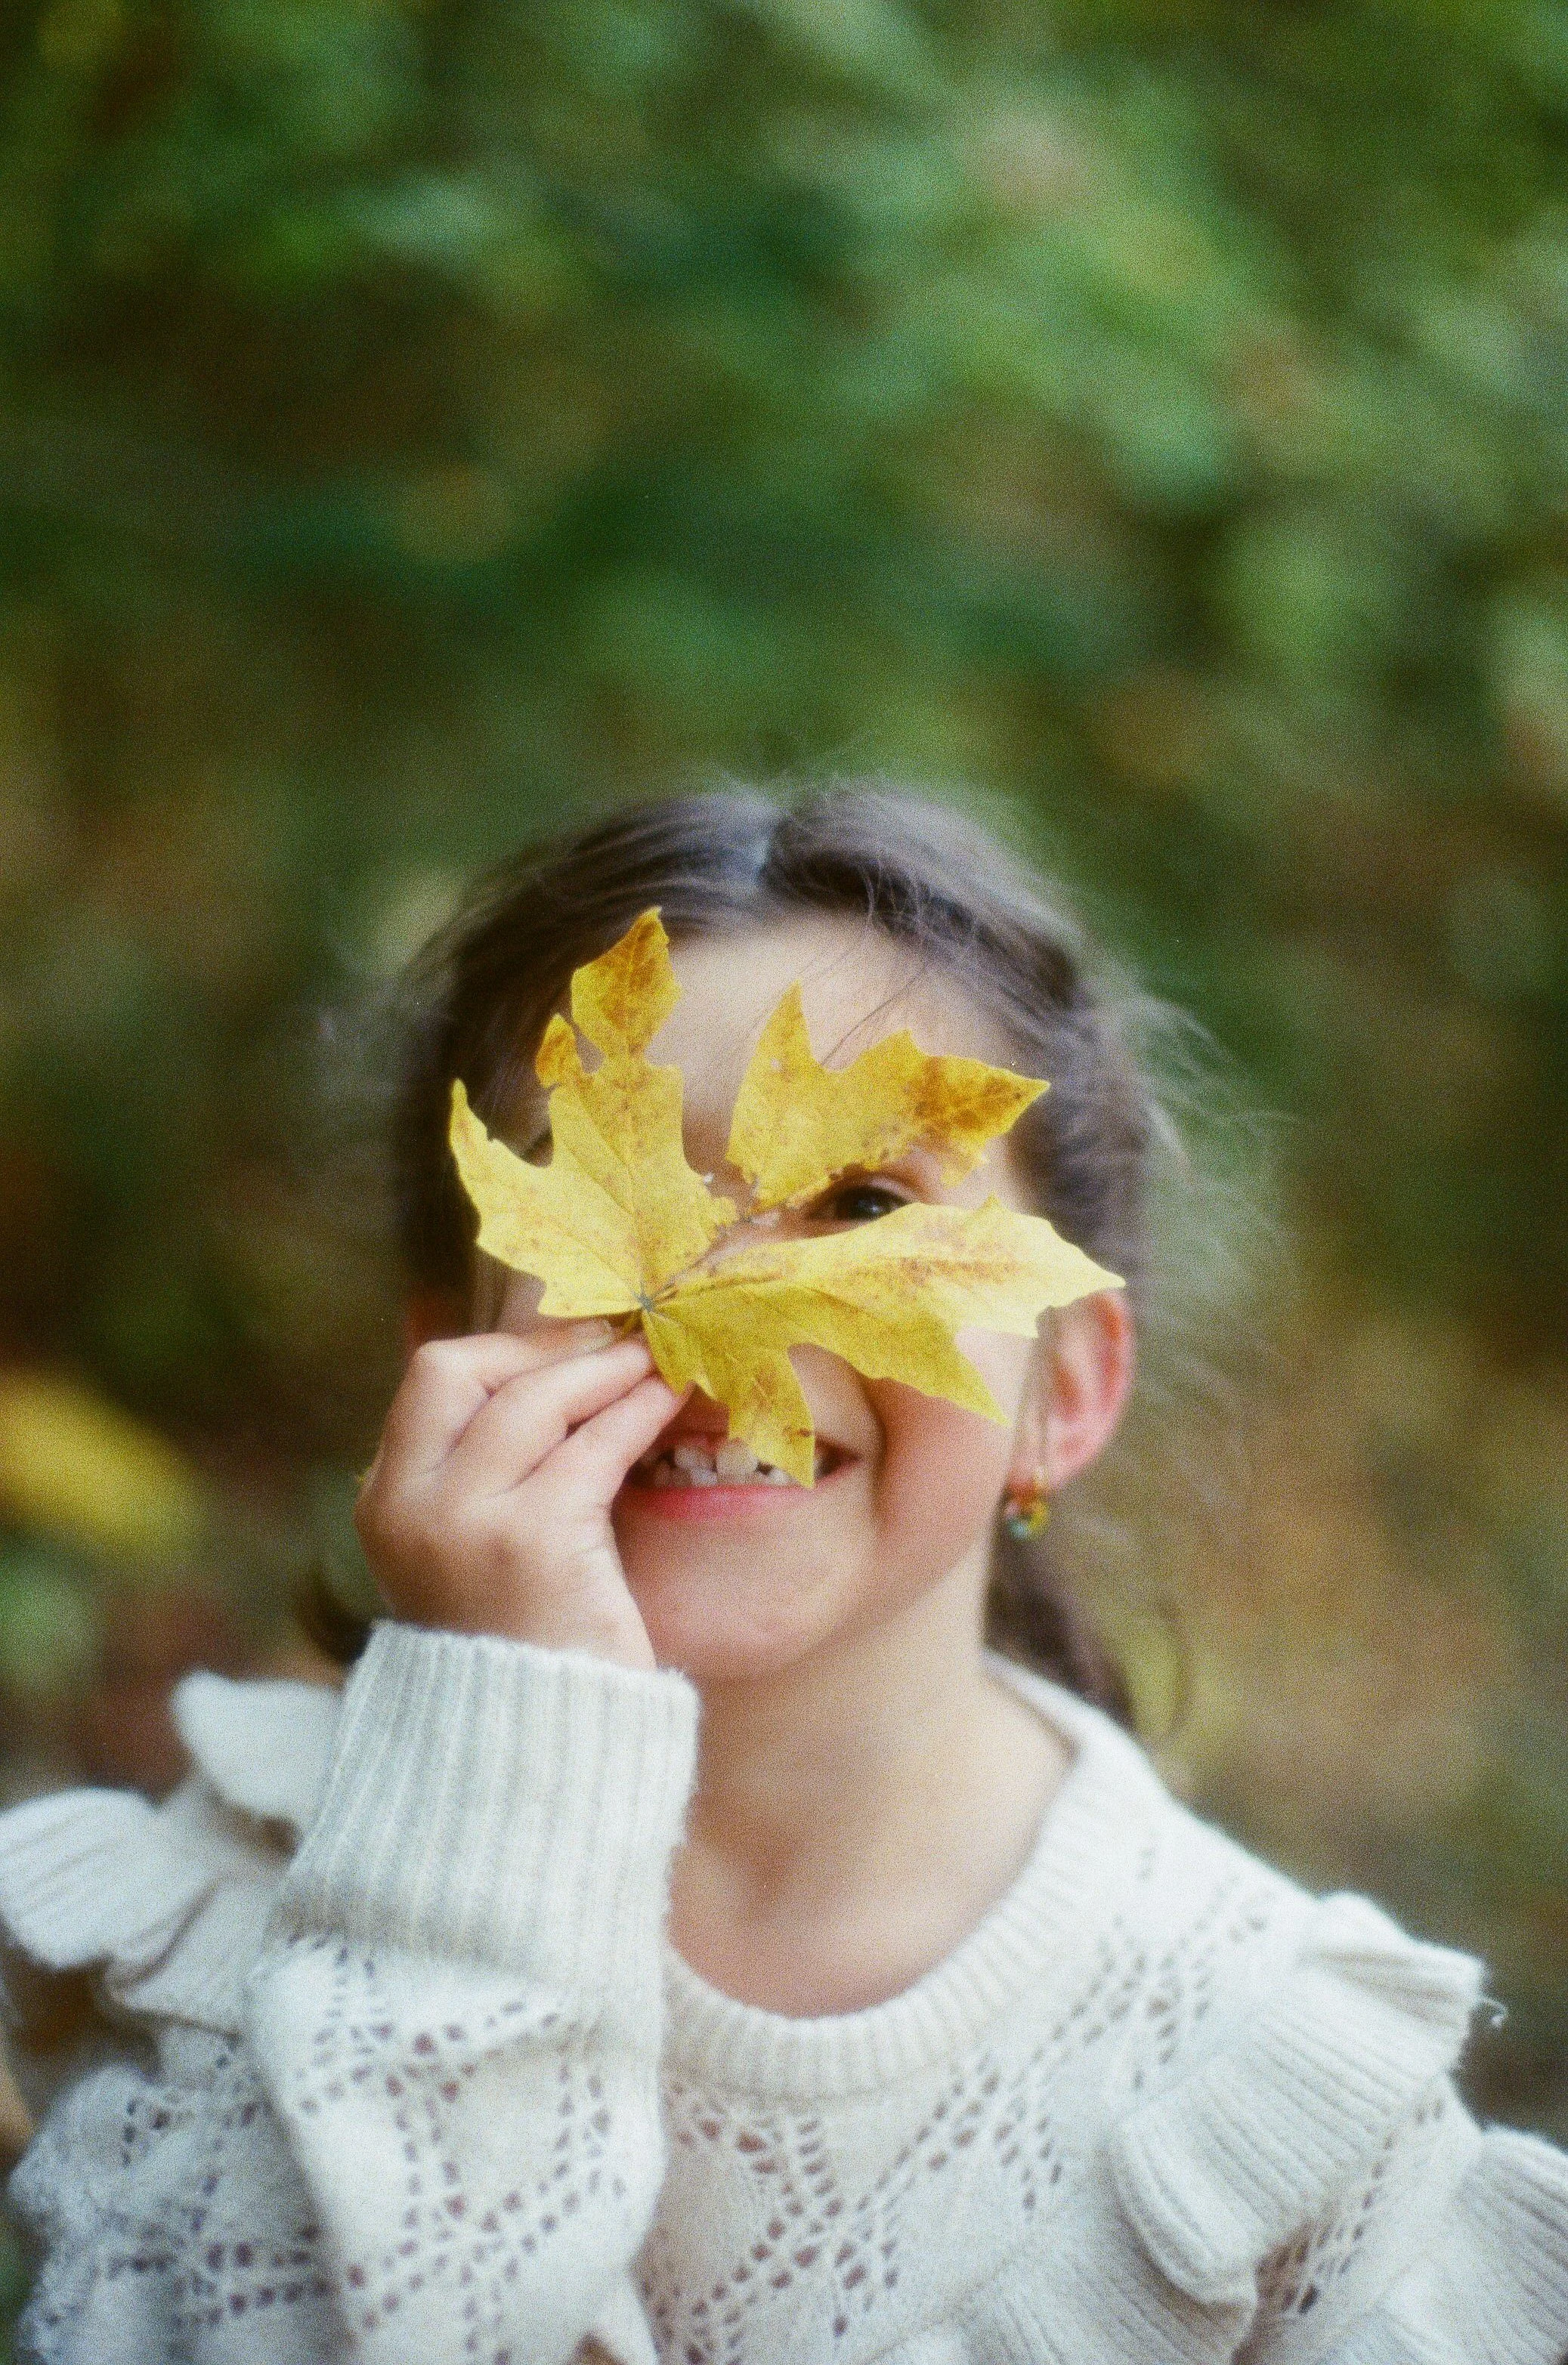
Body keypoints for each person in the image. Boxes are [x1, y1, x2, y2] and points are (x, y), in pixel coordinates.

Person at [2, 785, 1565, 2365]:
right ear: (448, 1342)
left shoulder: (1275, 2111)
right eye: (614, 1196)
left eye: (862, 1204)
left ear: (1064, 1382)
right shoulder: (212, 1937)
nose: (723, 1313)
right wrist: (489, 1770)